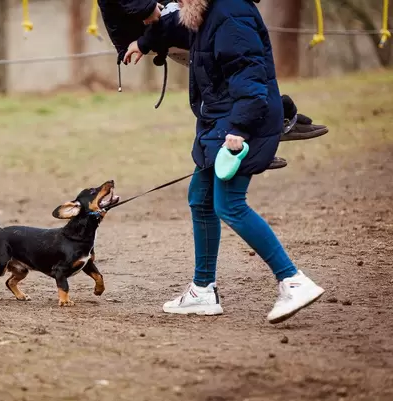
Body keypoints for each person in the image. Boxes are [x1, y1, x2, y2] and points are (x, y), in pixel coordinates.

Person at [122, 0, 325, 323]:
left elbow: (249, 76)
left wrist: (240, 130)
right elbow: (176, 27)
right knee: (200, 199)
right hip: (219, 122)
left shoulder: (231, 12)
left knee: (230, 204)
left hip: (240, 124)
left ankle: (293, 280)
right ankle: (203, 290)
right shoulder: (206, 11)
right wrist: (143, 42)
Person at [97, 0, 329, 171]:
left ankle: (264, 130)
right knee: (227, 79)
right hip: (158, 22)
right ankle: (264, 131)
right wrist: (145, 9)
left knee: (234, 76)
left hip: (165, 22)